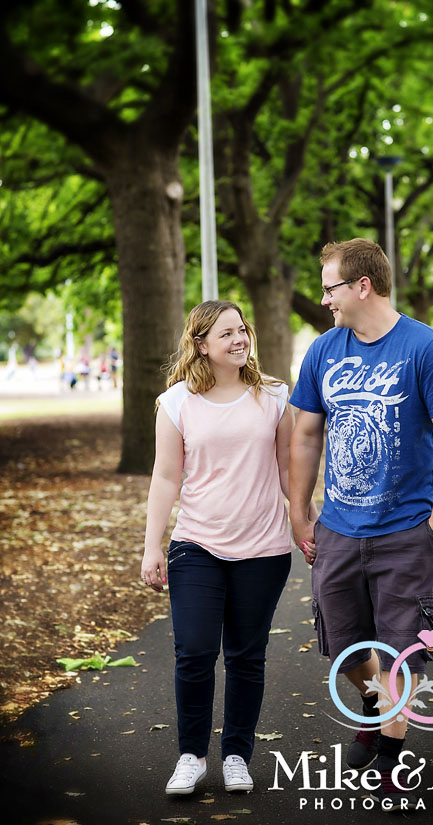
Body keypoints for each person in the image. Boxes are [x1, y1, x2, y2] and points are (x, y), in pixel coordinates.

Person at [289, 239, 433, 812]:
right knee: (344, 646)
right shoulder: (323, 350)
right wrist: (299, 508)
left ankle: (391, 760)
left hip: (406, 531)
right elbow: (306, 434)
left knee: (399, 651)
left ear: (362, 286)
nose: (324, 300)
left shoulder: (426, 349)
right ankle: (375, 704)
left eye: (330, 288)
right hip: (339, 528)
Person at [141, 300, 310, 798]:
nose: (239, 340)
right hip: (197, 544)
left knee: (246, 656)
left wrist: (305, 523)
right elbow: (166, 477)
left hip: (263, 547)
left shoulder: (274, 395)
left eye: (242, 330)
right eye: (226, 334)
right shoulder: (176, 403)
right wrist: (152, 546)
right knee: (194, 652)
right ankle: (191, 757)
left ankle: (237, 755)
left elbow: (288, 469)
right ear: (201, 345)